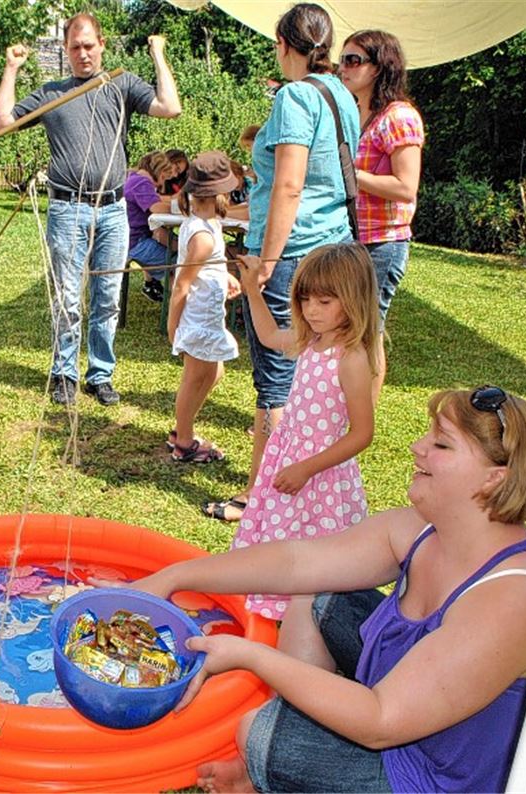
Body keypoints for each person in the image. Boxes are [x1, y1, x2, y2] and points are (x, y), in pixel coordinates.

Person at [127, 386, 526, 793]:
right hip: (407, 724)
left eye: (441, 445)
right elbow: (297, 564)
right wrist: (174, 577)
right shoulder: (422, 530)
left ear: (495, 478)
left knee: (256, 734)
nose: (417, 447)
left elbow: (380, 720)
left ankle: (272, 761)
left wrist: (250, 655)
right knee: (315, 596)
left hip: (443, 781)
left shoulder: (513, 602)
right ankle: (276, 762)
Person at [203, 3, 359, 523]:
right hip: (333, 249)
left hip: (292, 254)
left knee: (275, 380)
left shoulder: (294, 95)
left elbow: (290, 184)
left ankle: (259, 496)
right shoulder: (341, 93)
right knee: (308, 375)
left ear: (284, 44)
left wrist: (266, 260)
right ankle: (296, 483)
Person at [0, 13, 181, 406]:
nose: (83, 54)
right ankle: (64, 373)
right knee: (66, 297)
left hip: (112, 210)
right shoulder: (53, 94)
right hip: (67, 209)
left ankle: (100, 374)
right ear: (66, 49)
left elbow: (169, 107)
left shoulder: (121, 84)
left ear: (102, 45)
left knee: (107, 296)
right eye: (75, 47)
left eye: (89, 46)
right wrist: (11, 68)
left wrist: (158, 55)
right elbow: (2, 123)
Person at [232, 243, 378, 619]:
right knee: (280, 535)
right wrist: (252, 288)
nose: (311, 310)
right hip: (289, 458)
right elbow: (268, 335)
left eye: (324, 301)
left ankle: (301, 616)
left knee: (310, 550)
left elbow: (362, 433)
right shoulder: (311, 340)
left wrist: (306, 468)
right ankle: (275, 609)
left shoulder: (351, 358)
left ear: (353, 299)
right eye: (305, 299)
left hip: (319, 475)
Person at [339, 30, 425, 402]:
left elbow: (406, 186)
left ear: (378, 67)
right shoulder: (355, 113)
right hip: (353, 239)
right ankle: (352, 411)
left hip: (383, 243)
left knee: (367, 333)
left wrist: (349, 174)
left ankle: (364, 417)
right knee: (349, 331)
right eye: (341, 60)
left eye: (353, 60)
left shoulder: (398, 116)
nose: (343, 68)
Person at [166, 152, 241, 463]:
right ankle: (184, 440)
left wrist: (224, 275)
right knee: (195, 377)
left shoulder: (207, 225)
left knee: (214, 372)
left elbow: (207, 266)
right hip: (197, 318)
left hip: (209, 317)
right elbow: (182, 283)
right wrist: (173, 325)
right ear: (220, 194)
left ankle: (182, 428)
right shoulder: (202, 237)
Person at [125, 151, 175, 303]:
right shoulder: (141, 183)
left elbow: (157, 200)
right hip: (136, 243)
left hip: (132, 240)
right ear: (159, 171)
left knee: (178, 251)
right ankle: (185, 304)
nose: (161, 184)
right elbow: (156, 207)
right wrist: (182, 208)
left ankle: (180, 305)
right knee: (182, 260)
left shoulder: (133, 178)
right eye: (163, 178)